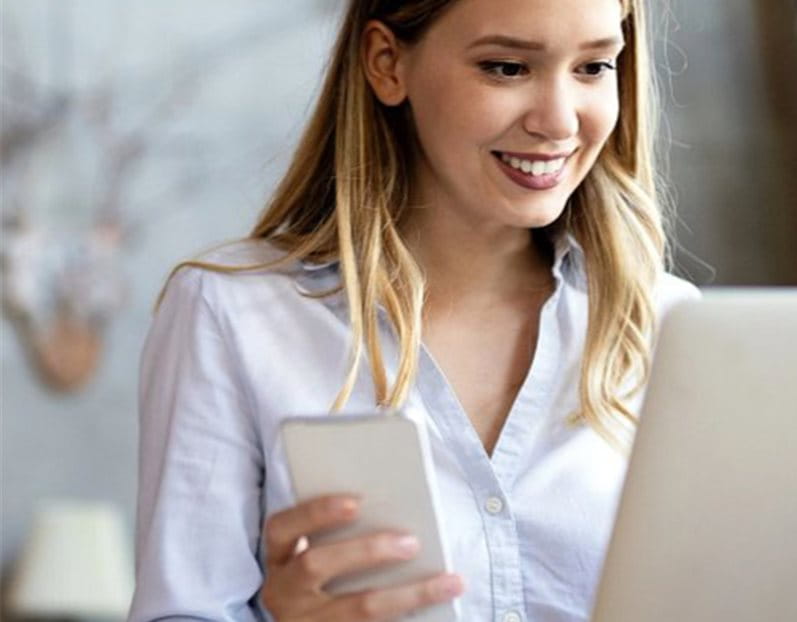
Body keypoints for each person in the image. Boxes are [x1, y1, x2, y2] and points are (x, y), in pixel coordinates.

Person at [129, 0, 699, 620]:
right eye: (507, 67)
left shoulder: (671, 326)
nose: (560, 122)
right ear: (386, 63)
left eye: (593, 68)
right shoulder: (232, 314)